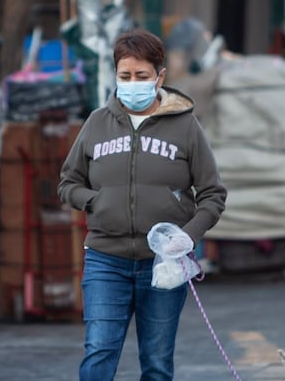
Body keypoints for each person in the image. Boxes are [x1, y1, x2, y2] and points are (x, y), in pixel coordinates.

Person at [58, 28, 227, 381]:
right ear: (115, 75)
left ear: (159, 77)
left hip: (164, 264)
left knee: (157, 363)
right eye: (125, 76)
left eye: (141, 75)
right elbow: (68, 183)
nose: (132, 83)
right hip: (106, 260)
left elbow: (212, 194)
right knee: (99, 350)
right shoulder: (97, 123)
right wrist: (96, 201)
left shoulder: (186, 127)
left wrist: (189, 235)